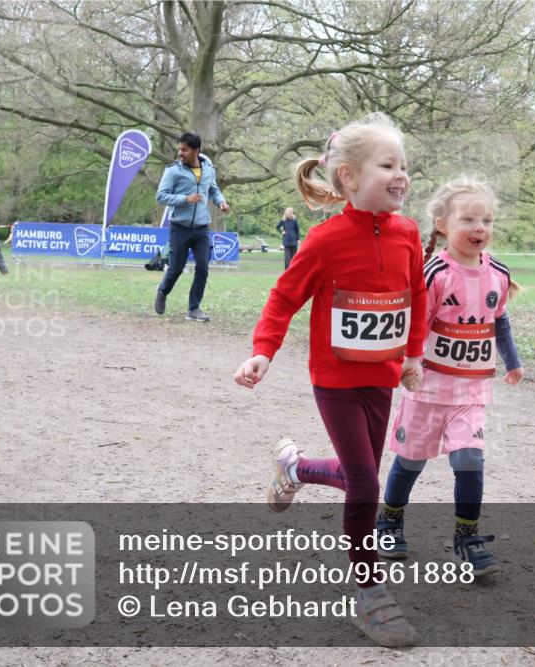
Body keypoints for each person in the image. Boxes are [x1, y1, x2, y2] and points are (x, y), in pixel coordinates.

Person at [233, 113, 427, 647]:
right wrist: (263, 352)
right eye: (387, 165)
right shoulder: (324, 240)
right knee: (366, 483)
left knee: (359, 474)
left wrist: (412, 355)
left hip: (382, 378)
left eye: (403, 165)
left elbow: (416, 296)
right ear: (349, 177)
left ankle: (294, 467)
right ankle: (369, 592)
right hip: (336, 380)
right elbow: (284, 297)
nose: (401, 174)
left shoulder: (409, 234)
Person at [375, 176, 524, 577]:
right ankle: (389, 521)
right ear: (442, 225)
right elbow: (414, 324)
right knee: (411, 460)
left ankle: (467, 537)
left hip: (471, 391)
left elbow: (499, 321)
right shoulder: (435, 272)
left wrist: (512, 361)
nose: (480, 228)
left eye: (487, 220)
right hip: (428, 389)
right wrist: (407, 365)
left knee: (470, 458)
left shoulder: (498, 273)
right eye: (469, 219)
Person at [153, 132, 230, 322]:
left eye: (184, 150)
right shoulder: (173, 171)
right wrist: (185, 199)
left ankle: (193, 309)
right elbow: (161, 196)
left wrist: (221, 201)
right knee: (176, 268)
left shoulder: (208, 170)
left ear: (196, 151)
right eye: (179, 149)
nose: (180, 153)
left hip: (202, 228)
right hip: (180, 227)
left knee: (203, 267)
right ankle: (162, 291)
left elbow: (213, 190)